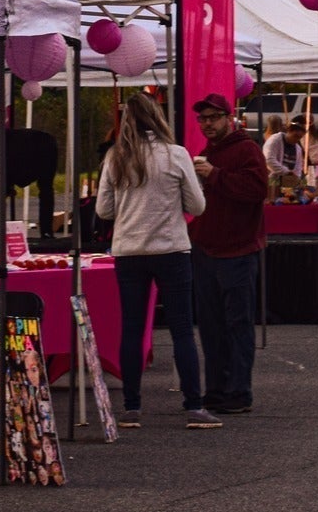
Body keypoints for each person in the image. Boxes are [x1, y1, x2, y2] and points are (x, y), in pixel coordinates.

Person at [94, 93, 217, 429]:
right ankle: (194, 406)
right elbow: (197, 206)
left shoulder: (116, 157)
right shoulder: (176, 155)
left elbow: (103, 210)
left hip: (129, 251)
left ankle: (132, 407)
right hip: (171, 249)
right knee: (182, 330)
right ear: (158, 117)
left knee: (132, 330)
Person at [189, 93, 269, 416]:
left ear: (228, 117)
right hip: (206, 250)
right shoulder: (207, 152)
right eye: (202, 119)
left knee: (237, 324)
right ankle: (216, 389)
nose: (207, 124)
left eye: (213, 118)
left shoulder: (247, 149)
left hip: (237, 251)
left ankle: (238, 391)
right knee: (211, 326)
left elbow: (257, 190)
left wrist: (214, 175)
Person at [262, 114, 304, 179]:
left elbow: (298, 167)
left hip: (288, 181)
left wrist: (296, 177)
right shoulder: (275, 140)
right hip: (271, 179)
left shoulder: (298, 148)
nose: (297, 139)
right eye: (295, 136)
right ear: (289, 131)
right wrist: (287, 172)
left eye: (300, 137)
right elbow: (269, 160)